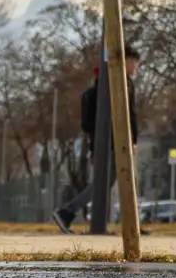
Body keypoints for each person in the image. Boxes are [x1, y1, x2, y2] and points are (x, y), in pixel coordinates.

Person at [56, 49, 139, 231]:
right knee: (105, 183)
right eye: (135, 62)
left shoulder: (113, 82)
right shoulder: (119, 84)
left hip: (109, 141)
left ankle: (132, 225)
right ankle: (67, 212)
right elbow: (127, 115)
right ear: (126, 60)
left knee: (120, 181)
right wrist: (133, 138)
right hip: (115, 142)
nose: (136, 67)